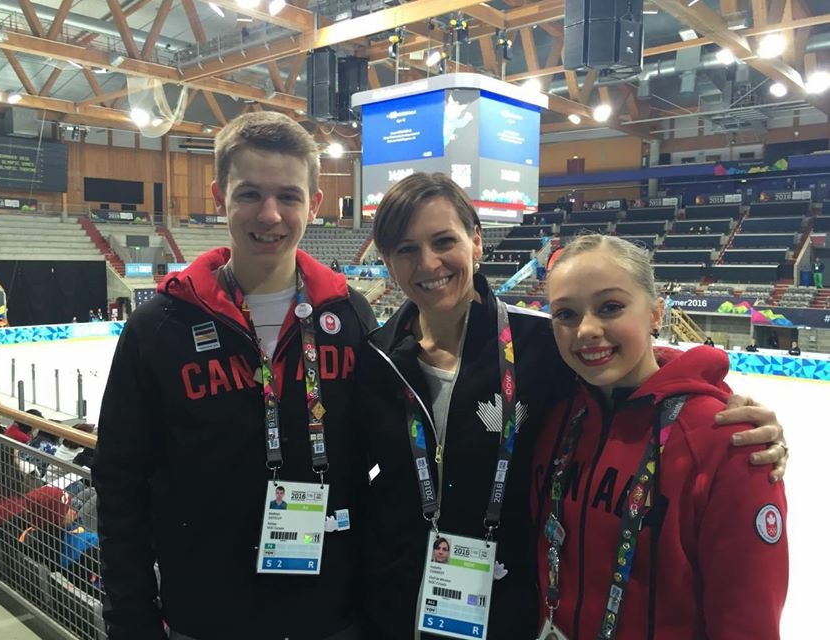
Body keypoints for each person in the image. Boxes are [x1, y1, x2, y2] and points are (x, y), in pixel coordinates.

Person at [353, 173, 788, 640]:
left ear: (476, 241)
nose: (429, 263)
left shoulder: (541, 346)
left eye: (444, 241)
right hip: (397, 605)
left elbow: (632, 369)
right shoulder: (375, 357)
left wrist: (713, 396)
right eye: (406, 249)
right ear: (386, 262)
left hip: (508, 610)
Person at [93, 111, 376, 640]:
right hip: (206, 617)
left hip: (332, 616)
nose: (269, 214)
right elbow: (120, 481)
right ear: (219, 195)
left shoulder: (350, 316)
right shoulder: (160, 326)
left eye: (288, 196)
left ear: (313, 205)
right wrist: (131, 620)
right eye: (249, 194)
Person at [532, 234, 788, 638]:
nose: (586, 330)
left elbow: (747, 621)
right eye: (566, 314)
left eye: (610, 307)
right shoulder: (556, 419)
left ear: (656, 313)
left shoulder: (729, 441)